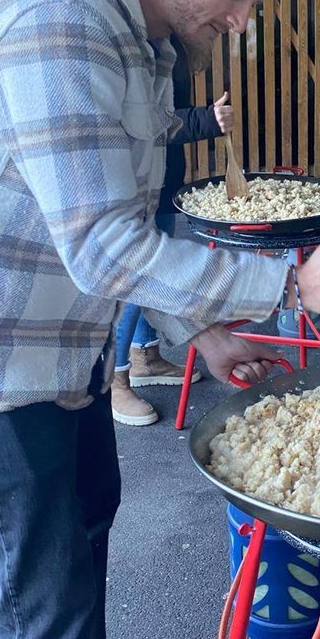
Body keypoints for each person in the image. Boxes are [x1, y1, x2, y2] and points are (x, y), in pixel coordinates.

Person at [0, 0, 320, 639]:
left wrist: (203, 332)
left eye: (256, 1)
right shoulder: (61, 16)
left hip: (65, 356)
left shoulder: (145, 49)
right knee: (36, 603)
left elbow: (138, 224)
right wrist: (288, 286)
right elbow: (101, 244)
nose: (242, 19)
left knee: (83, 539)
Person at [111, 32, 233, 426]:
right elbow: (143, 124)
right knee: (135, 280)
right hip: (134, 182)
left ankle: (144, 355)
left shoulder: (170, 41)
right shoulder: (137, 42)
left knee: (152, 270)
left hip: (162, 180)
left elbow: (166, 109)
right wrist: (206, 119)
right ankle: (113, 380)